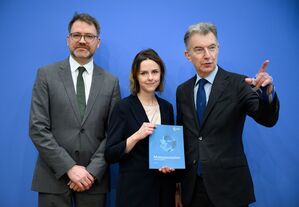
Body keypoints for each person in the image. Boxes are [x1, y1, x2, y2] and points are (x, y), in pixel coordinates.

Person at [175, 23, 280, 207]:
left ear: (218, 48)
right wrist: (177, 186)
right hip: (193, 189)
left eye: (212, 47)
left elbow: (267, 119)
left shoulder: (239, 83)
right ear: (188, 55)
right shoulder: (182, 91)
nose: (207, 55)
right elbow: (183, 139)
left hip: (230, 189)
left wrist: (267, 94)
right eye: (199, 49)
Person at [29, 13, 120, 207]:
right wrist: (69, 167)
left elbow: (113, 133)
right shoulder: (46, 75)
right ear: (68, 39)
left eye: (89, 36)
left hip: (93, 181)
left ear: (98, 42)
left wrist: (92, 171)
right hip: (52, 178)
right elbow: (37, 128)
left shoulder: (111, 82)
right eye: (76, 35)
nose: (82, 41)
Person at [105, 48, 176, 207]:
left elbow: (171, 149)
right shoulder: (122, 108)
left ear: (161, 74)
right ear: (136, 76)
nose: (150, 78)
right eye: (144, 73)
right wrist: (137, 135)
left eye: (155, 72)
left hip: (164, 191)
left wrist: (169, 165)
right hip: (134, 193)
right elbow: (110, 154)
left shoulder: (167, 108)